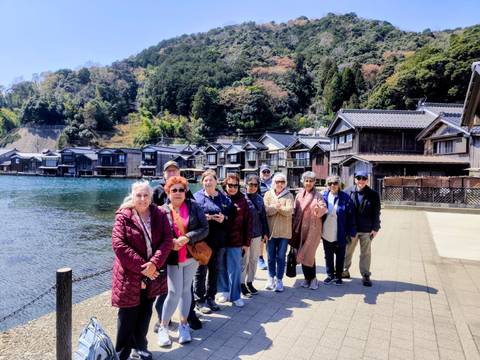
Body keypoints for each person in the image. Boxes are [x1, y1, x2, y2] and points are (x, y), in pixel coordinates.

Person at [111, 181, 173, 360]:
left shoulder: (159, 214)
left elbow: (167, 240)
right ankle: (121, 352)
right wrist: (145, 268)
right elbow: (119, 245)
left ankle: (141, 345)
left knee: (146, 310)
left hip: (153, 272)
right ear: (132, 196)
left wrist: (154, 263)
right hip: (129, 274)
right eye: (138, 195)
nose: (142, 198)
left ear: (151, 196)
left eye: (146, 195)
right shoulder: (124, 215)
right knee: (127, 314)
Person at [157, 176, 209, 347]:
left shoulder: (194, 206)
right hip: (173, 258)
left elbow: (204, 229)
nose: (178, 193)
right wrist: (170, 242)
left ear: (185, 191)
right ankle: (164, 326)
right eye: (174, 190)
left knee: (186, 290)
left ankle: (183, 324)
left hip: (191, 256)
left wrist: (187, 237)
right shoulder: (162, 211)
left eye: (181, 190)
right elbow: (157, 235)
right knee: (173, 292)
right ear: (168, 192)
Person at [151, 160, 201, 331]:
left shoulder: (189, 199)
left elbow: (197, 218)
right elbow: (149, 217)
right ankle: (162, 321)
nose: (172, 174)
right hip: (167, 253)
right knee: (167, 290)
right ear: (164, 174)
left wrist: (187, 237)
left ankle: (186, 318)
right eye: (168, 171)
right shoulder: (157, 192)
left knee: (186, 289)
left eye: (175, 171)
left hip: (188, 253)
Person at [193, 170, 234, 312]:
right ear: (202, 182)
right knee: (200, 271)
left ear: (216, 182)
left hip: (219, 241)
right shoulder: (196, 198)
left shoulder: (224, 198)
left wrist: (224, 219)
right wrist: (203, 217)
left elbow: (231, 219)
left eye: (211, 180)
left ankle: (211, 298)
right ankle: (199, 300)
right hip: (202, 242)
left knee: (215, 271)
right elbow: (190, 219)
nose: (208, 183)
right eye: (206, 180)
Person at [217, 173, 252, 307]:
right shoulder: (219, 197)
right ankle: (223, 291)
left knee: (235, 269)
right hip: (220, 240)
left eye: (235, 185)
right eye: (229, 185)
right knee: (221, 267)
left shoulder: (243, 200)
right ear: (225, 185)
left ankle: (235, 295)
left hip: (236, 240)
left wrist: (246, 243)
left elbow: (248, 223)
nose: (232, 188)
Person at [343, 170, 381, 287]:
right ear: (355, 179)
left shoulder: (373, 194)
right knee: (347, 251)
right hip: (352, 229)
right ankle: (344, 270)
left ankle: (365, 275)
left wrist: (375, 228)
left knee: (366, 253)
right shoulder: (348, 192)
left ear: (367, 180)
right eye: (359, 178)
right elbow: (344, 211)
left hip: (367, 230)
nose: (361, 181)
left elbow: (376, 213)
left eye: (363, 178)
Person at [291, 171, 327, 290]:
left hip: (313, 229)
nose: (308, 183)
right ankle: (307, 279)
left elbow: (323, 208)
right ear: (303, 182)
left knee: (309, 254)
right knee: (302, 253)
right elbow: (295, 210)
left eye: (311, 181)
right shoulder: (299, 194)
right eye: (306, 180)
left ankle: (313, 279)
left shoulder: (318, 195)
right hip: (300, 229)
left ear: (314, 182)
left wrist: (318, 209)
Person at [321, 175, 356, 286]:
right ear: (327, 185)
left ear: (339, 185)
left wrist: (352, 232)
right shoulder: (323, 196)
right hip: (327, 231)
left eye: (335, 183)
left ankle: (338, 276)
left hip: (341, 231)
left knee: (340, 256)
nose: (333, 185)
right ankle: (330, 275)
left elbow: (351, 216)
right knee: (328, 255)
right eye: (330, 183)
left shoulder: (345, 197)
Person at [263, 173, 294, 292]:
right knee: (270, 257)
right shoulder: (267, 194)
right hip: (271, 232)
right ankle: (271, 278)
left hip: (284, 232)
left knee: (281, 257)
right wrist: (278, 207)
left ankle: (279, 280)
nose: (279, 184)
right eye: (277, 182)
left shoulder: (289, 195)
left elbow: (289, 211)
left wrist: (276, 207)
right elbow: (266, 211)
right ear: (273, 183)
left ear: (285, 183)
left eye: (282, 182)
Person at [242, 174, 269, 296]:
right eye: (250, 184)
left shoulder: (259, 198)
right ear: (245, 184)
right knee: (244, 261)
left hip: (257, 234)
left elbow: (263, 217)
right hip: (244, 235)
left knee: (253, 259)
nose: (252, 187)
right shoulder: (241, 198)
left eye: (255, 185)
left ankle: (250, 282)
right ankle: (241, 284)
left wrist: (265, 232)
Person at [257, 164, 272, 270]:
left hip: (272, 214)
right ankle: (260, 258)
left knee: (272, 237)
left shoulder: (275, 182)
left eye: (267, 172)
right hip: (261, 214)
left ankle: (271, 257)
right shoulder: (257, 184)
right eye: (264, 172)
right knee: (262, 237)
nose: (266, 174)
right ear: (260, 173)